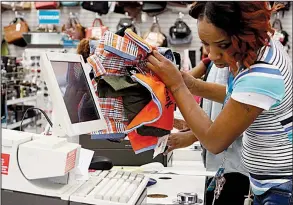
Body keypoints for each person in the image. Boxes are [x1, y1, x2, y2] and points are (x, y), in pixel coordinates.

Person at [146, 2, 292, 204]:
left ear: (244, 32)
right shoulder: (263, 47)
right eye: (206, 43)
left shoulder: (262, 71)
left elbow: (214, 142)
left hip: (281, 188)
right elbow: (242, 98)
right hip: (270, 183)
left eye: (223, 45)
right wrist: (193, 85)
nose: (213, 55)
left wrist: (178, 86)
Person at [167, 59, 250, 205]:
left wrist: (193, 136)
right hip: (220, 165)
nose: (213, 53)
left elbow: (238, 116)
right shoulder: (214, 63)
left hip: (237, 167)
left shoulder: (247, 70)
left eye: (218, 45)